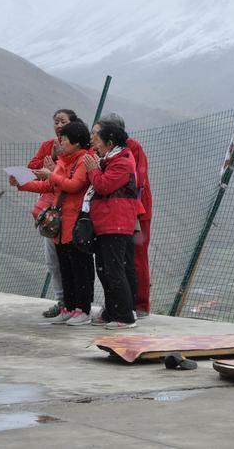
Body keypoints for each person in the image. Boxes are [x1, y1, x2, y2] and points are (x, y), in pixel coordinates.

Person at [12, 119, 95, 326]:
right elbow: (49, 185)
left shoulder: (84, 160)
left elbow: (75, 185)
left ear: (76, 142)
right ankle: (68, 308)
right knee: (65, 266)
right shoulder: (63, 161)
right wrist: (22, 184)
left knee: (79, 268)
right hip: (60, 223)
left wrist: (52, 176)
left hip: (76, 222)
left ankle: (82, 310)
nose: (61, 143)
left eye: (65, 139)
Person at [83, 122, 140, 330]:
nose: (93, 143)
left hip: (116, 222)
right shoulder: (108, 159)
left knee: (114, 270)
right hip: (104, 222)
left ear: (109, 142)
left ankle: (125, 315)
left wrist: (93, 170)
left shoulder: (123, 161)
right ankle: (111, 311)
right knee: (104, 269)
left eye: (97, 138)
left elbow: (104, 185)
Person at [98, 113, 152, 318]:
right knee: (116, 260)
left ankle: (140, 304)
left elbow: (137, 180)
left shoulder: (131, 148)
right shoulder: (108, 149)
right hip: (116, 210)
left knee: (136, 257)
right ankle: (120, 303)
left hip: (136, 209)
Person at [29, 109, 78, 318]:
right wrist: (52, 159)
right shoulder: (48, 146)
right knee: (52, 260)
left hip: (68, 210)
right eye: (56, 121)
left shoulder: (79, 149)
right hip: (50, 214)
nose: (58, 125)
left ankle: (76, 304)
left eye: (63, 121)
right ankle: (61, 301)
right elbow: (32, 167)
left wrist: (60, 161)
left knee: (70, 259)